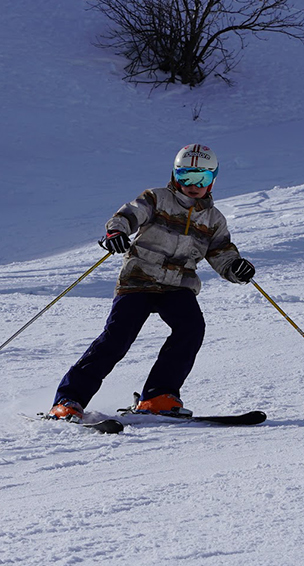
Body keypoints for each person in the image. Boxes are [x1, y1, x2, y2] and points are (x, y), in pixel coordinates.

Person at [48, 144, 255, 420]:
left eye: (201, 179)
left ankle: (157, 395)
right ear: (174, 175)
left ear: (213, 180)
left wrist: (236, 268)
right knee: (117, 339)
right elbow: (127, 216)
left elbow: (222, 253)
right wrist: (116, 233)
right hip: (139, 279)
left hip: (178, 285)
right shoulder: (157, 199)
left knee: (191, 328)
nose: (192, 185)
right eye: (185, 177)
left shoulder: (213, 220)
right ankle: (69, 399)